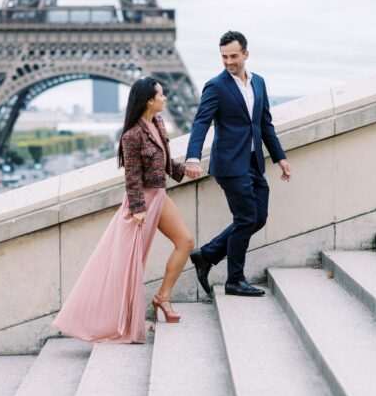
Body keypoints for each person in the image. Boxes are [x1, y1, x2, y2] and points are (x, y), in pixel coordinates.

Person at [54, 77, 196, 343]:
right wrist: (137, 209)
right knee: (128, 265)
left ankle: (162, 298)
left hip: (160, 196)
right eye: (161, 95)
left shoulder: (158, 124)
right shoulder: (131, 135)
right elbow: (132, 176)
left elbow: (164, 162)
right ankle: (111, 320)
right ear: (149, 101)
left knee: (186, 242)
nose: (165, 99)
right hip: (142, 203)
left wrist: (184, 170)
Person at [185, 31, 291, 297]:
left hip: (254, 162)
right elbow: (201, 122)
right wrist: (193, 157)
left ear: (246, 54)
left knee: (258, 218)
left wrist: (280, 157)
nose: (228, 61)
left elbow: (264, 123)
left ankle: (207, 254)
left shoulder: (259, 83)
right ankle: (234, 279)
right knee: (245, 218)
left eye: (233, 56)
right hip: (230, 164)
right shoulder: (216, 86)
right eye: (224, 57)